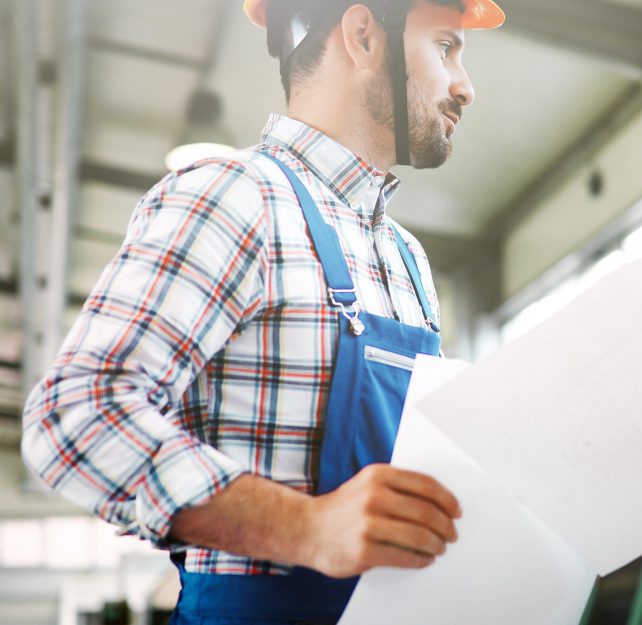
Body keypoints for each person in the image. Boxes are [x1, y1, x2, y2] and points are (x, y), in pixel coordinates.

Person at [21, 0, 503, 622]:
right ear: (362, 35)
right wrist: (304, 527)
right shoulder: (234, 195)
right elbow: (75, 414)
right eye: (445, 48)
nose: (465, 85)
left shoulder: (406, 257)